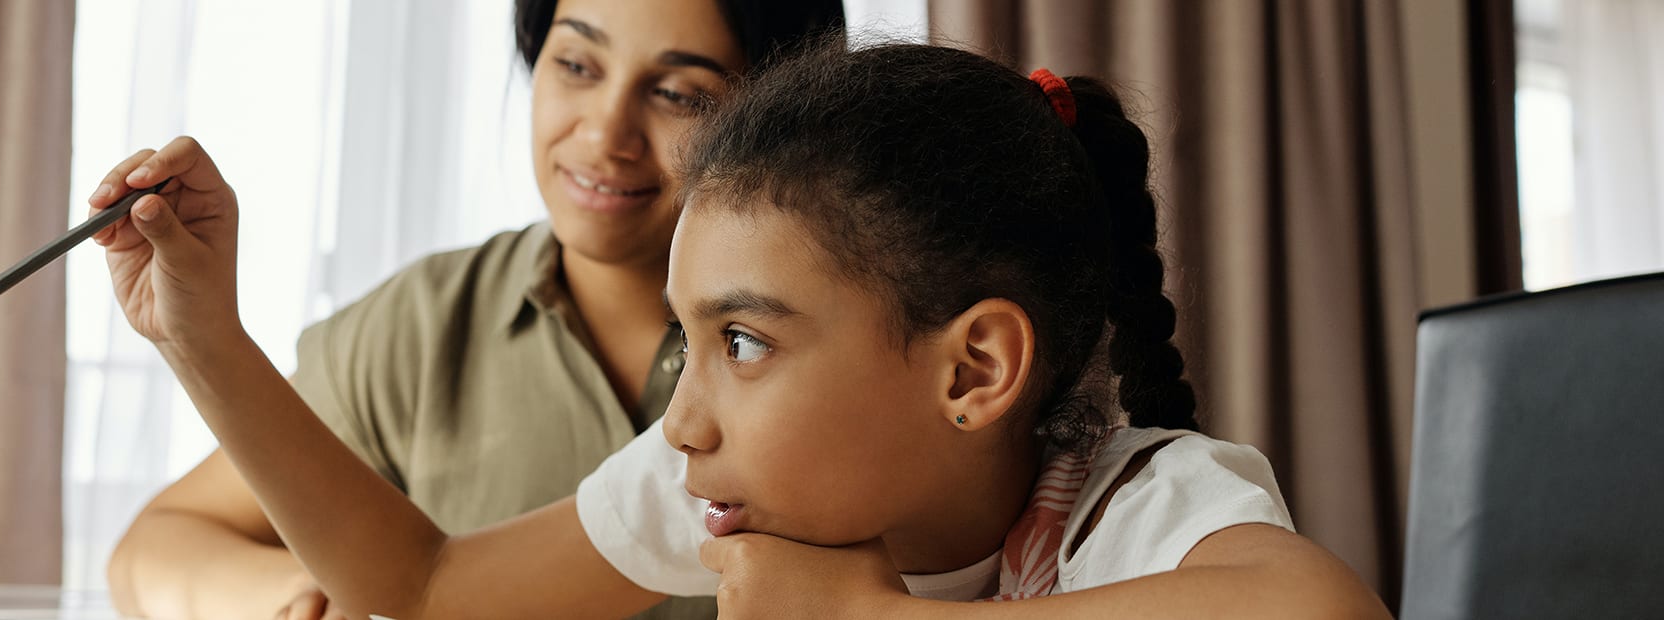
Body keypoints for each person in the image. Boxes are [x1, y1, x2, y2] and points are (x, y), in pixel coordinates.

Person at [89, 39, 1392, 618]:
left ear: (976, 368)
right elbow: (428, 591)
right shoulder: (709, 492)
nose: (684, 416)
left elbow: (1314, 615)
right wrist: (199, 335)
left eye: (748, 342)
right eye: (689, 338)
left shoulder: (1137, 510)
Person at [96, 1, 844, 618]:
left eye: (679, 94)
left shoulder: (843, 359)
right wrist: (311, 598)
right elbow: (157, 550)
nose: (604, 134)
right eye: (578, 66)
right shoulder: (423, 326)